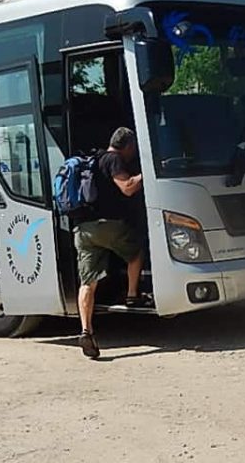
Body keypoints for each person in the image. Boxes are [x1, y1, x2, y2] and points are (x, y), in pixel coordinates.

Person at [74, 126, 151, 359]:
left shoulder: (94, 160)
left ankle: (86, 331)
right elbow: (128, 188)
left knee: (87, 282)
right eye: (133, 149)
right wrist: (147, 172)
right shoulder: (114, 160)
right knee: (137, 250)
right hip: (108, 226)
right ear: (127, 146)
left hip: (83, 229)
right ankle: (131, 294)